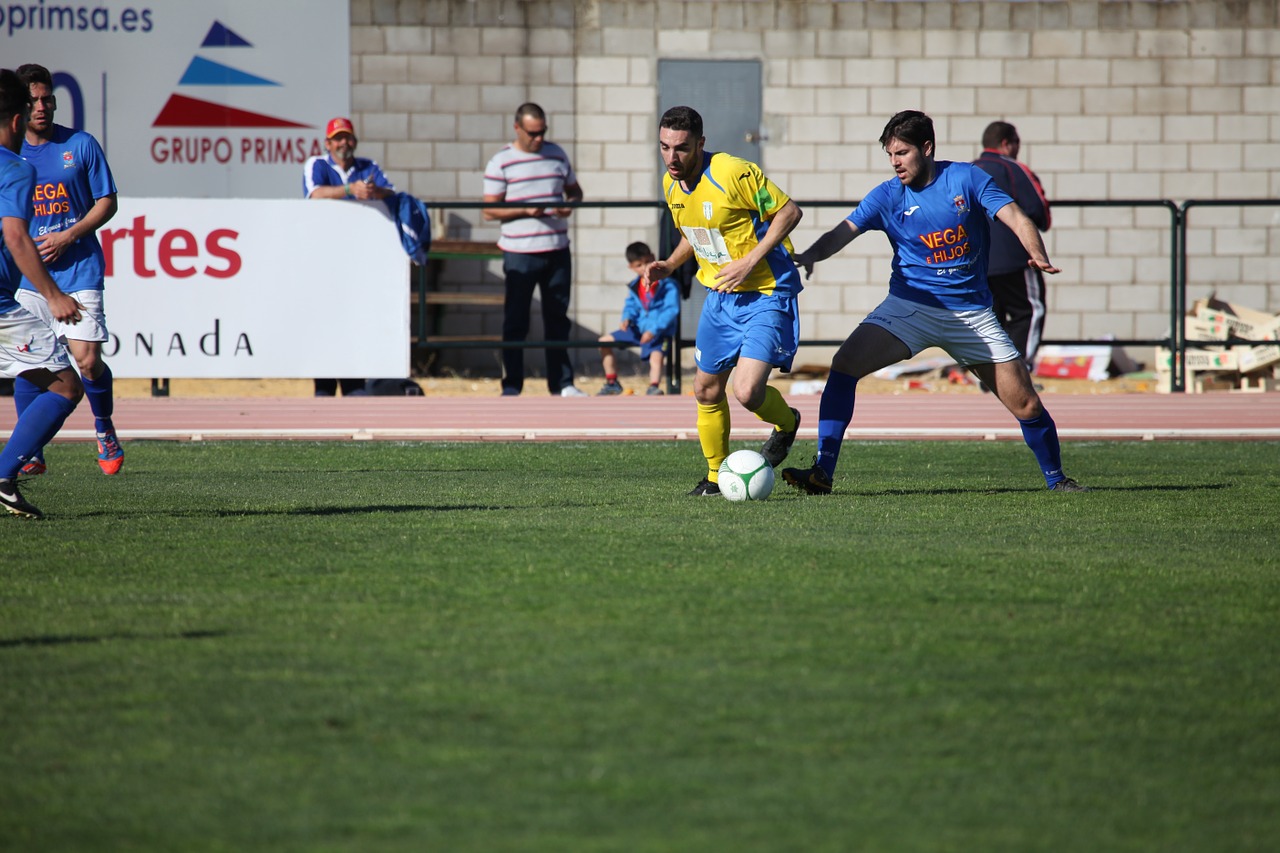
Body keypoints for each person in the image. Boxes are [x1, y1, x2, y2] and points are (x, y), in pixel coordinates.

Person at [781, 109, 1087, 496]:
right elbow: (842, 232)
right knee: (844, 366)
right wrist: (809, 255)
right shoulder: (887, 196)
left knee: (1026, 404)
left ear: (927, 148)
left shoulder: (966, 178)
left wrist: (1036, 252)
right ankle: (822, 471)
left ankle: (1057, 480)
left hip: (971, 314)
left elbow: (1015, 215)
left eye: (903, 153)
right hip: (909, 308)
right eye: (890, 154)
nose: (895, 163)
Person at [645, 106, 804, 496]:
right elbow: (694, 233)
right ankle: (715, 476)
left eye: (681, 148)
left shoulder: (732, 172)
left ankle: (787, 424)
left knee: (747, 392)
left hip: (767, 293)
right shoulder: (671, 184)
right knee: (705, 389)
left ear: (701, 143)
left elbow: (789, 212)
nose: (671, 158)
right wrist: (668, 263)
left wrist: (750, 260)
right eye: (664, 147)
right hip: (720, 298)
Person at [12, 64, 119, 476]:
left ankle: (104, 426)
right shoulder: (10, 152)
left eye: (48, 98)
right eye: (34, 100)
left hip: (79, 269)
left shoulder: (81, 144)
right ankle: (32, 448)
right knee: (30, 363)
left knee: (88, 362)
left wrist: (69, 235)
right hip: (29, 276)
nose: (42, 106)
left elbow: (106, 202)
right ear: (20, 106)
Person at [0, 67, 86, 518]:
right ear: (17, 121)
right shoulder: (14, 166)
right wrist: (52, 294)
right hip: (0, 309)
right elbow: (17, 236)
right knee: (66, 385)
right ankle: (4, 474)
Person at [482, 103, 586, 397]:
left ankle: (563, 384)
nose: (538, 138)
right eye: (532, 133)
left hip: (557, 249)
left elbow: (575, 191)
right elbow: (488, 211)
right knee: (516, 320)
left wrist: (570, 204)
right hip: (519, 252)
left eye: (543, 132)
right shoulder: (501, 161)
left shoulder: (556, 153)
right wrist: (524, 211)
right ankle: (512, 385)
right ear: (517, 128)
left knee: (558, 320)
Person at [303, 116, 395, 397]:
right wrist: (349, 190)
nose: (344, 143)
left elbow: (390, 193)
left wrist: (373, 191)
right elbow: (314, 195)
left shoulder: (368, 167)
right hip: (324, 260)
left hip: (358, 262)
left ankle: (354, 388)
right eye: (338, 138)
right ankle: (324, 389)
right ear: (328, 143)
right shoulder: (317, 164)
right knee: (326, 324)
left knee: (354, 323)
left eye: (348, 137)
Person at [973, 121, 1051, 368]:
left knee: (990, 318)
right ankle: (1021, 372)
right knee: (1028, 311)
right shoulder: (1015, 169)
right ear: (1007, 144)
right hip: (1015, 259)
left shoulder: (967, 170)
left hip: (978, 261)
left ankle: (991, 377)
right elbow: (1039, 213)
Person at [597, 241, 680, 396]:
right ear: (631, 267)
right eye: (639, 265)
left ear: (653, 259)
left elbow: (671, 310)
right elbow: (630, 306)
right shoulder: (635, 286)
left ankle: (653, 386)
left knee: (656, 357)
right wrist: (626, 318)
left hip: (658, 332)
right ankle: (612, 382)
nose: (644, 268)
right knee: (603, 342)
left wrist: (653, 330)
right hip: (637, 329)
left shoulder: (668, 285)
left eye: (647, 262)